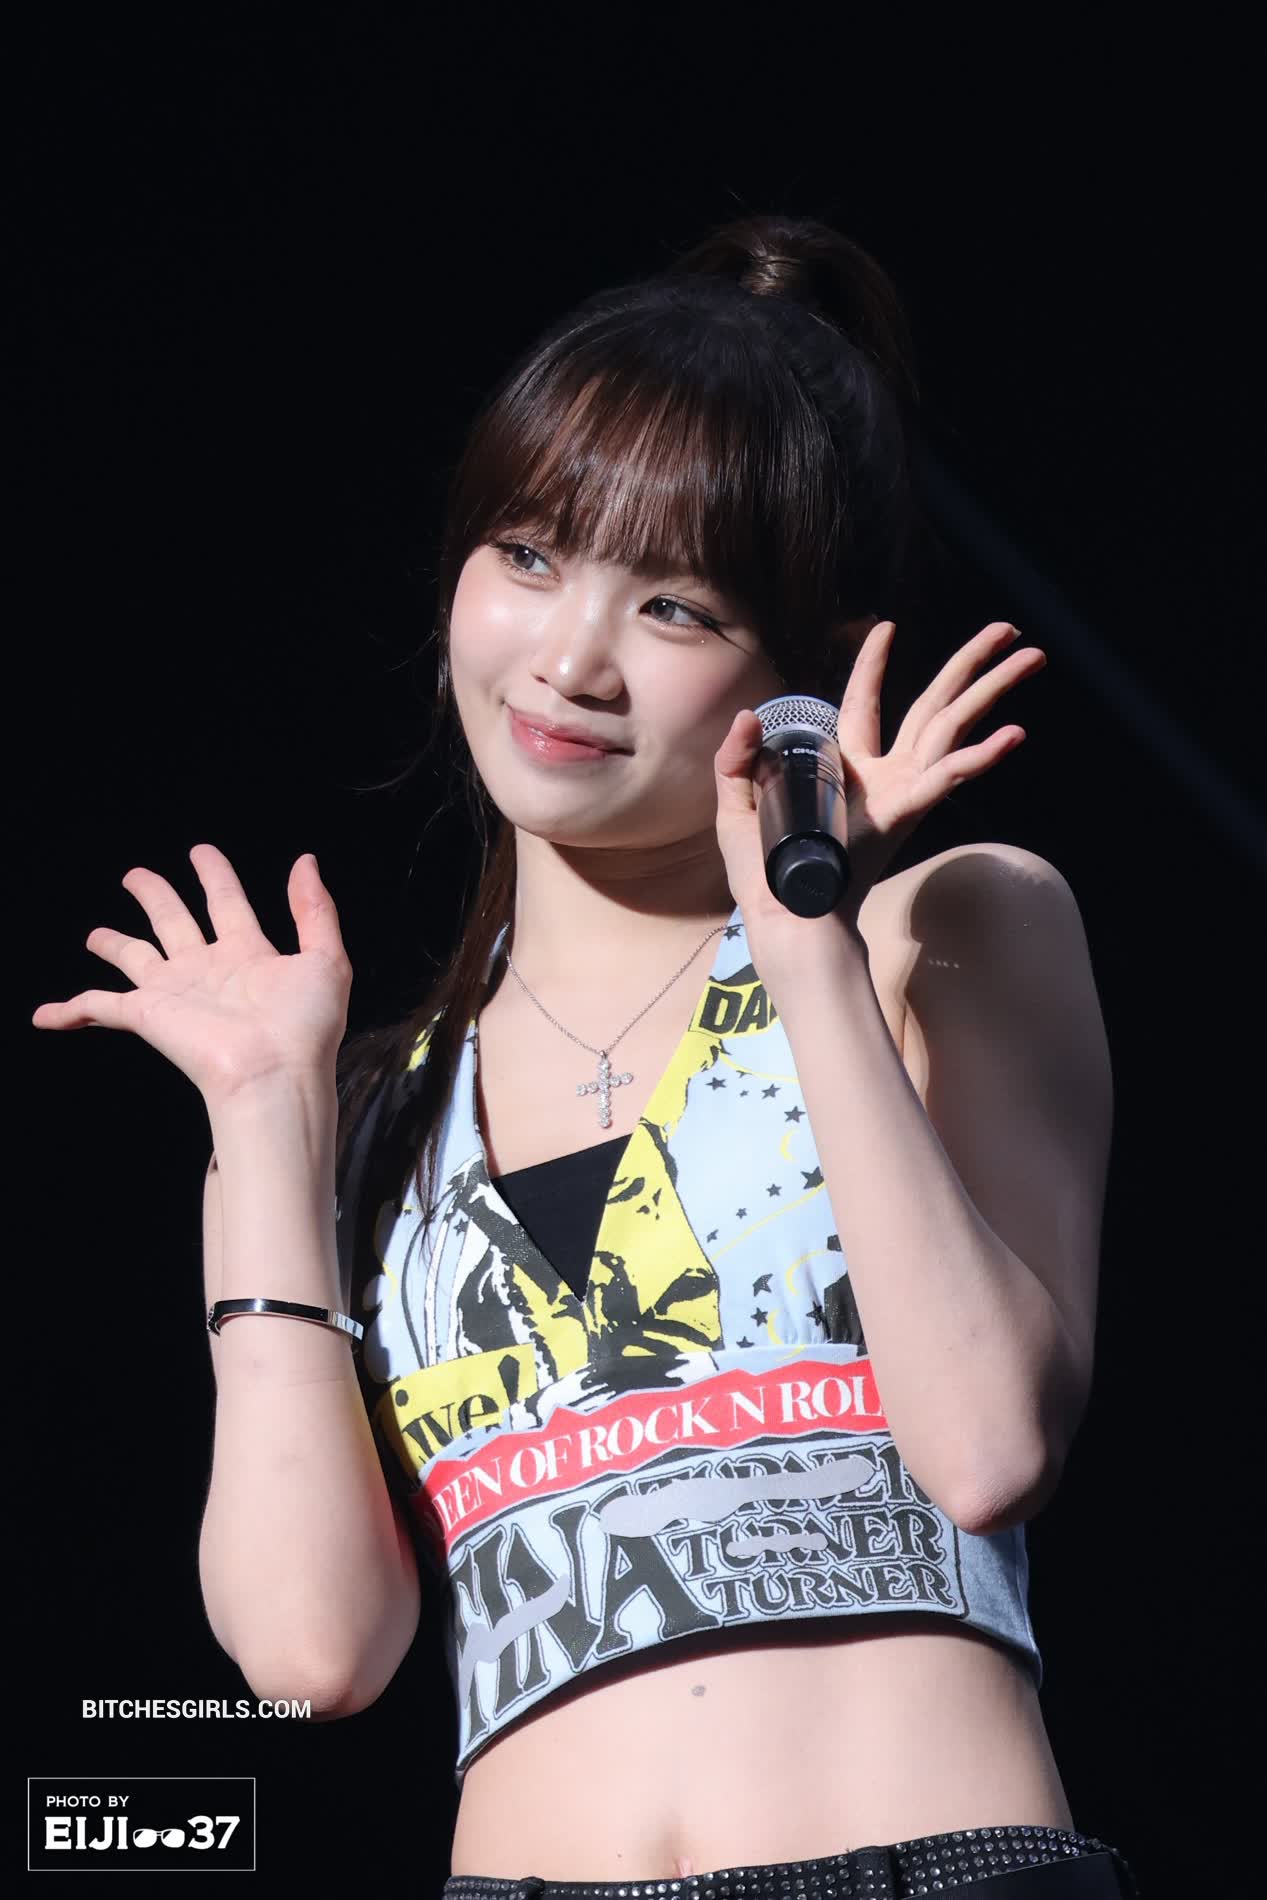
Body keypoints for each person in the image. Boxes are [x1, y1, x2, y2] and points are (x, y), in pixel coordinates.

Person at [32, 213, 1137, 1898]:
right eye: (532, 556)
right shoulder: (373, 1115)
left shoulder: (942, 932)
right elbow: (311, 1651)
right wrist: (262, 1120)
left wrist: (806, 948)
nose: (569, 659)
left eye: (674, 604)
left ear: (798, 674)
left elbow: (989, 1445)